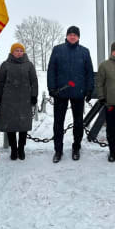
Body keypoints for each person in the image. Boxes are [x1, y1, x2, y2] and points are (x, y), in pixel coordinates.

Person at [47, 26, 94, 163]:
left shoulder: (84, 52)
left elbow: (89, 72)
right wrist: (52, 88)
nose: (72, 37)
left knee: (78, 123)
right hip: (60, 92)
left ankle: (76, 148)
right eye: (70, 34)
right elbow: (51, 71)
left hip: (78, 92)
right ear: (67, 36)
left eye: (75, 35)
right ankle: (58, 150)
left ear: (78, 37)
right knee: (58, 123)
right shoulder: (57, 50)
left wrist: (89, 89)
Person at [0, 43, 38, 160]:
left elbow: (34, 81)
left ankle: (21, 149)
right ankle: (14, 149)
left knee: (23, 126)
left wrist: (34, 95)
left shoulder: (29, 65)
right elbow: (0, 82)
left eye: (21, 51)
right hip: (9, 99)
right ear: (12, 52)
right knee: (11, 125)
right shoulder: (5, 65)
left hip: (24, 99)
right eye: (16, 50)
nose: (19, 52)